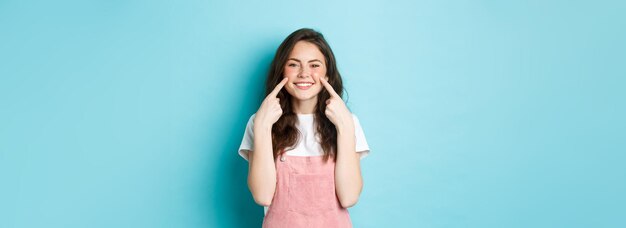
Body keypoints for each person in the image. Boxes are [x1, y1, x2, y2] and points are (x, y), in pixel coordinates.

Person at [238, 28, 370, 227]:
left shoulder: (347, 121)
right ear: (281, 70)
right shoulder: (260, 121)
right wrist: (263, 127)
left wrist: (345, 128)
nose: (304, 74)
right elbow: (262, 196)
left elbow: (349, 197)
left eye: (314, 65)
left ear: (328, 73)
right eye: (293, 64)